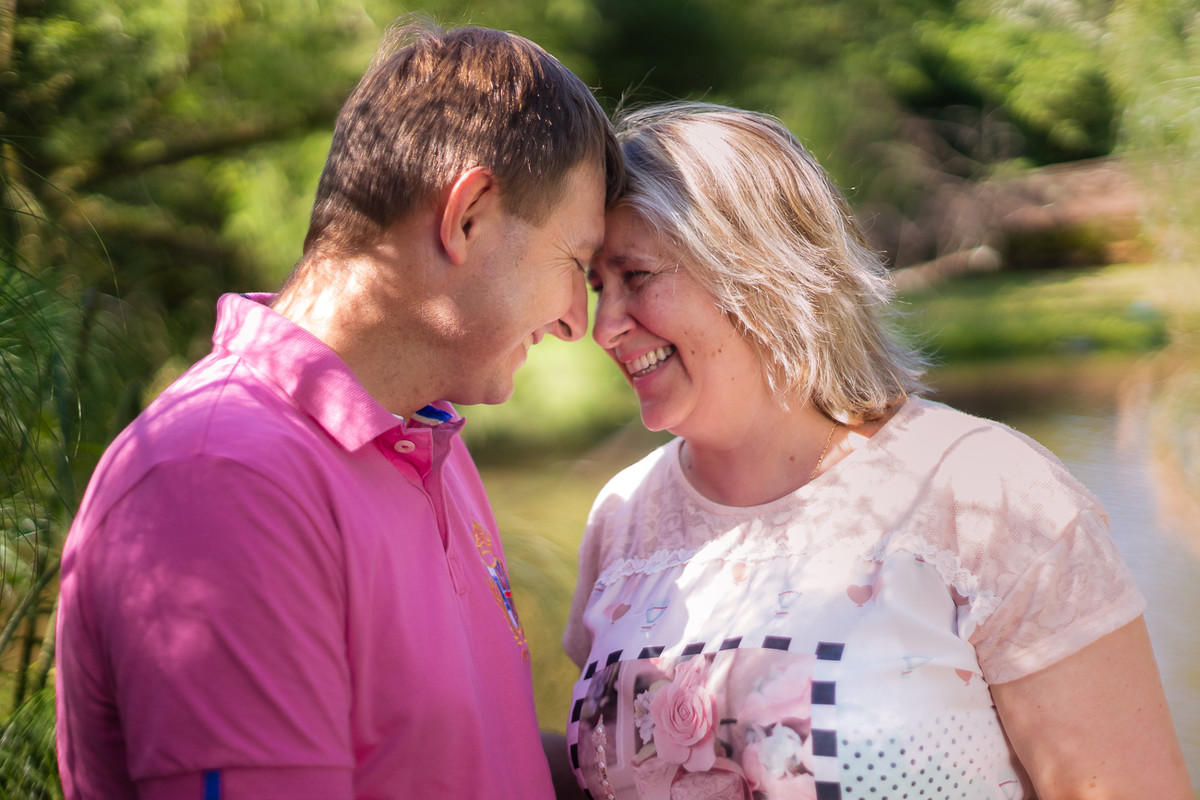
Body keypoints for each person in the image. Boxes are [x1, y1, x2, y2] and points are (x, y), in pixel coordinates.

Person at [55, 17, 622, 799]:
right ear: (468, 216)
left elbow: (463, 758)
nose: (574, 322)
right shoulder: (223, 480)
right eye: (575, 263)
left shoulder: (427, 446)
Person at [562, 102, 1190, 799]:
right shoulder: (623, 517)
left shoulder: (989, 494)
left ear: (756, 270)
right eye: (597, 287)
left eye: (636, 277)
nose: (605, 327)